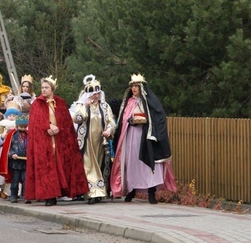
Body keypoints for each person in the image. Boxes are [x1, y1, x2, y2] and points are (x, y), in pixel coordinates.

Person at [111, 73, 176, 204]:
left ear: (142, 88)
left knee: (148, 164)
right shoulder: (129, 102)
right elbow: (123, 120)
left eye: (136, 86)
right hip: (131, 137)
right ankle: (132, 191)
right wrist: (131, 120)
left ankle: (151, 192)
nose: (134, 89)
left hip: (145, 138)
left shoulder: (151, 102)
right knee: (132, 164)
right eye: (132, 86)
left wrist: (146, 122)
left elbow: (158, 118)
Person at [26, 76, 88, 206]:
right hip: (44, 141)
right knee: (47, 167)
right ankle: (49, 196)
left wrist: (58, 128)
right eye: (42, 87)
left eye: (46, 87)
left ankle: (61, 191)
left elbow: (66, 122)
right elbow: (34, 123)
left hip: (59, 140)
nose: (43, 90)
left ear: (52, 89)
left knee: (60, 165)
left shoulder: (60, 102)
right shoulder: (37, 103)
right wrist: (47, 127)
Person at [73, 76, 116, 204]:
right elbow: (78, 118)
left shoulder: (104, 106)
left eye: (98, 93)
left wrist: (109, 130)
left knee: (99, 165)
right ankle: (92, 193)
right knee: (89, 166)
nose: (96, 96)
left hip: (100, 142)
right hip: (86, 142)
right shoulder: (82, 105)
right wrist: (85, 106)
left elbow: (111, 122)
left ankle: (100, 193)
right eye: (94, 93)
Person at [0, 114, 29, 203]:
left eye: (24, 127)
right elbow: (8, 148)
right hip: (15, 163)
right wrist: (12, 154)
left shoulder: (29, 135)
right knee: (15, 180)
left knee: (26, 179)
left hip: (25, 162)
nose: (23, 128)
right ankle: (13, 195)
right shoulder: (12, 135)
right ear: (17, 125)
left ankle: (26, 196)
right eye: (21, 127)